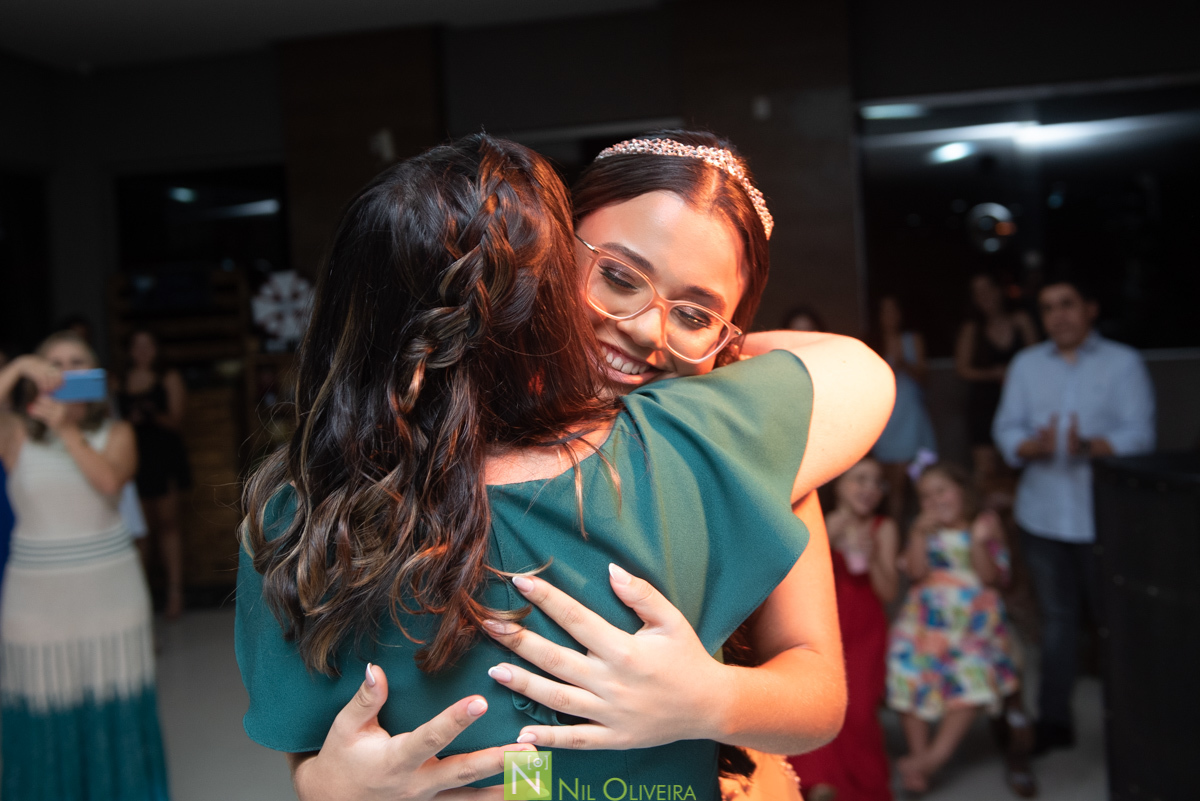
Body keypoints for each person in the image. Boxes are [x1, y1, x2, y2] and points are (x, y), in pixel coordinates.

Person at [236, 133, 894, 799]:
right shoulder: (420, 456)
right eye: (617, 276)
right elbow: (328, 723)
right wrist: (325, 782)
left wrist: (710, 696)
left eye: (695, 312)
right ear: (545, 263)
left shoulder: (735, 456)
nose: (644, 327)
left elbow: (818, 693)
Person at [0, 331, 170, 800]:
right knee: (42, 698)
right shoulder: (13, 433)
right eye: (53, 362)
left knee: (114, 699)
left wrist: (67, 431)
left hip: (109, 592)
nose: (64, 370)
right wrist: (16, 370)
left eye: (77, 362)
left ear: (95, 378)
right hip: (33, 597)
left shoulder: (117, 433)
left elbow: (110, 480)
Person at [992, 276, 1155, 755]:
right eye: (1047, 308)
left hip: (1105, 519)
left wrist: (1089, 445)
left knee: (1117, 622)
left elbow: (1141, 436)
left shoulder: (1123, 363)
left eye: (1067, 304)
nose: (1058, 315)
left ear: (1090, 308)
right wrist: (1029, 446)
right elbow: (1006, 429)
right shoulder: (1026, 365)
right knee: (1058, 623)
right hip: (1043, 516)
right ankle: (1056, 724)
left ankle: (1136, 726)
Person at [887, 463, 1024, 795]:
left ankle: (932, 758)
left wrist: (978, 542)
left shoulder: (984, 524)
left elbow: (992, 577)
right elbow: (916, 573)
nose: (935, 501)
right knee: (909, 674)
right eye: (926, 496)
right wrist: (917, 534)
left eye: (942, 491)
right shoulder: (923, 529)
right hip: (925, 618)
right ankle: (921, 757)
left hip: (972, 621)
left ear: (962, 491)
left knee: (972, 673)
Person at [788, 457, 898, 801]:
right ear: (840, 484)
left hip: (866, 628)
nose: (869, 489)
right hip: (825, 623)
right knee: (820, 703)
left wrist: (875, 556)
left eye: (876, 482)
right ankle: (822, 783)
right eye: (860, 479)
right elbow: (799, 583)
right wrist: (829, 538)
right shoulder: (820, 522)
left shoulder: (884, 528)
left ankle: (861, 789)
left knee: (861, 710)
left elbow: (889, 591)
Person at [116, 329, 191, 619]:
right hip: (132, 459)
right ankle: (140, 600)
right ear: (130, 350)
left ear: (157, 349)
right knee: (139, 532)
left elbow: (177, 419)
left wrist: (149, 414)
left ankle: (175, 594)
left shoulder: (168, 377)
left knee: (168, 525)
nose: (143, 351)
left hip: (164, 457)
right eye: (138, 345)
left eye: (149, 345)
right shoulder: (118, 381)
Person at [955, 274, 1037, 496]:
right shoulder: (973, 328)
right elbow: (962, 368)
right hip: (984, 403)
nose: (984, 297)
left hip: (1019, 402)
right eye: (977, 293)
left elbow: (1037, 361)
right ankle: (988, 526)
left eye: (987, 289)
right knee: (986, 471)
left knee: (1016, 469)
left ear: (999, 290)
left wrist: (1015, 376)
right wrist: (993, 373)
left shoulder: (1020, 320)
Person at [871, 295, 937, 522]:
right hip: (884, 419)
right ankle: (888, 531)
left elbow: (924, 377)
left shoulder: (912, 339)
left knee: (908, 480)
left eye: (893, 311)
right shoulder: (874, 343)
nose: (889, 316)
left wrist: (903, 363)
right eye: (884, 311)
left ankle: (903, 535)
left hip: (908, 415)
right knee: (885, 483)